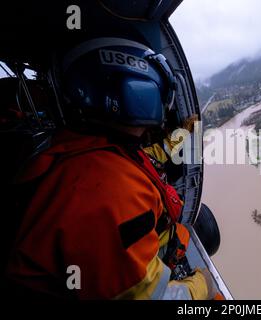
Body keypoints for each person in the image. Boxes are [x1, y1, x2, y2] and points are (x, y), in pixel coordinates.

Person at [5, 37, 214, 300]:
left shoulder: (89, 150)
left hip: (130, 259)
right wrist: (202, 286)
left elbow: (151, 157)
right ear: (139, 92)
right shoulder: (109, 189)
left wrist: (183, 136)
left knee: (182, 234)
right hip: (134, 278)